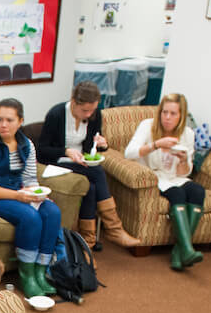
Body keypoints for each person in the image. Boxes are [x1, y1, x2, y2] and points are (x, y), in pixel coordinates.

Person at [0, 98, 62, 298]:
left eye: (9, 120)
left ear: (20, 121)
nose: (3, 124)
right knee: (30, 217)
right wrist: (18, 196)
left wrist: (37, 195)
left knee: (52, 212)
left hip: (18, 193)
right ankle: (27, 276)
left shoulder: (27, 144)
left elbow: (29, 180)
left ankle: (40, 272)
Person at [35, 82, 139, 252]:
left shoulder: (94, 115)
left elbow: (91, 146)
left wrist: (102, 145)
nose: (89, 114)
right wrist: (66, 151)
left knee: (90, 188)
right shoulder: (56, 114)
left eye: (92, 110)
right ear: (73, 102)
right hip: (56, 163)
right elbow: (42, 150)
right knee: (97, 171)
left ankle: (87, 243)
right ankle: (114, 228)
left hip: (81, 163)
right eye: (85, 110)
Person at [124, 93, 203, 271]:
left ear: (181, 116)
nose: (167, 117)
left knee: (198, 191)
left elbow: (185, 172)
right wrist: (156, 145)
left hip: (176, 177)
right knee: (177, 194)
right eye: (164, 112)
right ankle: (186, 250)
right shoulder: (147, 126)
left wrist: (183, 160)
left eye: (173, 114)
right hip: (154, 177)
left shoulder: (188, 134)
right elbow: (129, 153)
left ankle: (180, 251)